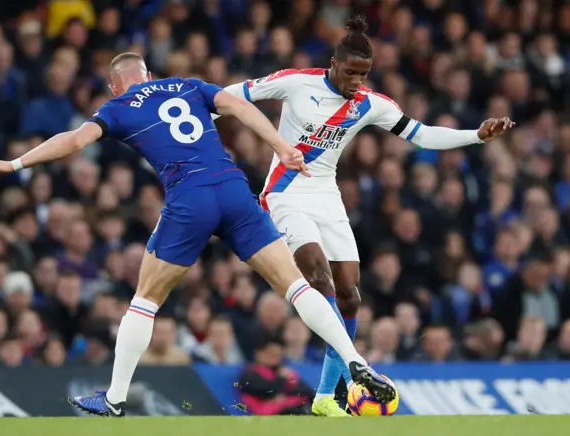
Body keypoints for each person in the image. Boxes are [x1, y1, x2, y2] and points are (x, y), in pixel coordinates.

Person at [0, 52, 395, 417]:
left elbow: (73, 141)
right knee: (296, 286)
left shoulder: (117, 107)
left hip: (189, 198)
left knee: (145, 298)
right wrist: (281, 148)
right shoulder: (188, 85)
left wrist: (14, 164)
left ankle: (116, 399)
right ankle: (354, 359)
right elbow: (242, 109)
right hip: (233, 190)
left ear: (113, 84)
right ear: (150, 75)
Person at [217, 15, 514, 416]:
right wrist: (194, 124)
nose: (358, 81)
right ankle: (356, 366)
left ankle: (325, 396)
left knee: (350, 296)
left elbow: (421, 134)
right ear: (334, 64)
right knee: (317, 275)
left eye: (365, 74)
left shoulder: (371, 104)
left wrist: (475, 136)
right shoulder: (295, 82)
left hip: (327, 196)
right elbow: (231, 97)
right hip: (285, 193)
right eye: (352, 72)